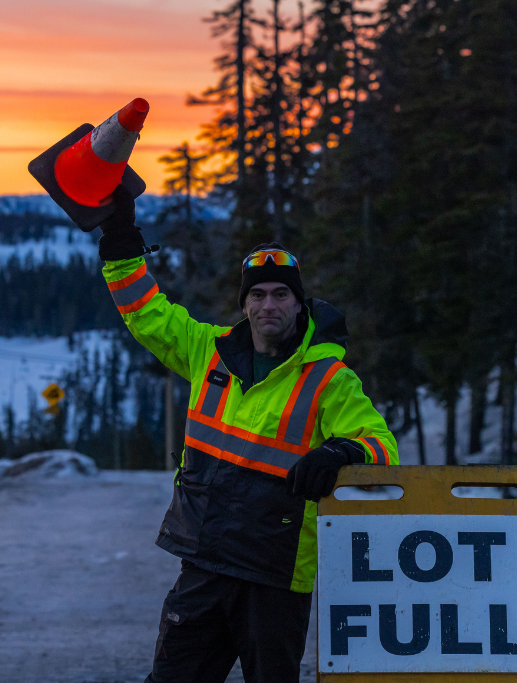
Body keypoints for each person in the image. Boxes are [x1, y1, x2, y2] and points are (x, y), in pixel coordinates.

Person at [96, 186, 398, 683]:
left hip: (275, 578)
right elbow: (145, 312)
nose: (268, 304)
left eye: (281, 293)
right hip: (206, 564)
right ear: (245, 303)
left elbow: (382, 447)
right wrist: (120, 238)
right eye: (257, 294)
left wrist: (339, 450)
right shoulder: (207, 350)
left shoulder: (329, 379)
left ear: (300, 305)